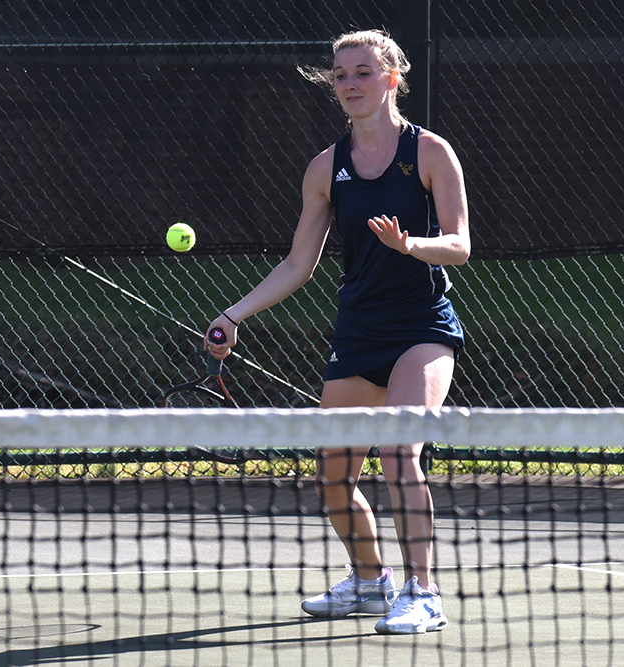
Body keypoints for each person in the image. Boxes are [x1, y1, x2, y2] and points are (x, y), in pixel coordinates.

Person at [205, 29, 469, 635]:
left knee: (401, 454)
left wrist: (412, 246)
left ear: (392, 79)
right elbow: (299, 263)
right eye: (341, 75)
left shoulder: (430, 153)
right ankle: (371, 581)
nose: (349, 84)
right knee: (333, 477)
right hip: (358, 332)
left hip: (422, 328)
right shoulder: (327, 168)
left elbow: (460, 245)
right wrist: (233, 314)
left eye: (363, 73)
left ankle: (423, 592)